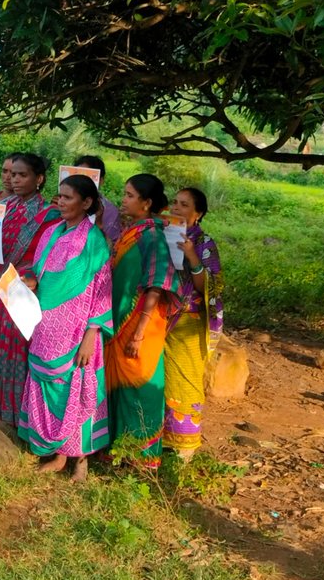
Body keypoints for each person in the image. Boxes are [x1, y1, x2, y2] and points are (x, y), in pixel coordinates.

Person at [17, 175, 114, 481]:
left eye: (68, 198)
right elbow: (38, 270)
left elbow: (102, 291)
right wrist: (30, 279)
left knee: (76, 389)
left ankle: (81, 461)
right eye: (59, 196)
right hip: (45, 327)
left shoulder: (95, 242)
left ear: (86, 203)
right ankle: (59, 457)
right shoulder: (51, 234)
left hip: (77, 333)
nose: (60, 202)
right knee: (49, 387)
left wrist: (91, 335)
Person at [0, 152, 61, 424]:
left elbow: (54, 256)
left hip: (24, 293)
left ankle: (20, 417)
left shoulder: (50, 215)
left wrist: (32, 275)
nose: (15, 179)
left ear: (39, 179)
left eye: (22, 175)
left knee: (19, 349)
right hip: (1, 290)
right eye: (12, 174)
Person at [104, 174, 183, 468]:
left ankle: (142, 457)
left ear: (146, 203)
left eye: (129, 195)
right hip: (120, 323)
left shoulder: (154, 235)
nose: (123, 199)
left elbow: (156, 285)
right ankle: (119, 449)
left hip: (141, 326)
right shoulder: (133, 231)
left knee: (140, 386)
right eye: (124, 194)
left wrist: (138, 332)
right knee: (121, 386)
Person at [163, 187, 223, 458]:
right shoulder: (161, 234)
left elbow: (209, 288)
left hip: (187, 322)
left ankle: (182, 450)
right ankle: (156, 442)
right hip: (158, 317)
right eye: (174, 202)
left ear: (197, 214)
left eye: (184, 204)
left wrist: (191, 256)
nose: (176, 208)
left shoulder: (205, 243)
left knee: (184, 381)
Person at [74, 155, 122, 243]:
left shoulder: (110, 211)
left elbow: (112, 249)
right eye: (78, 177)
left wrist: (98, 225)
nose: (81, 183)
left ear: (101, 181)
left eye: (87, 178)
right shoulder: (63, 202)